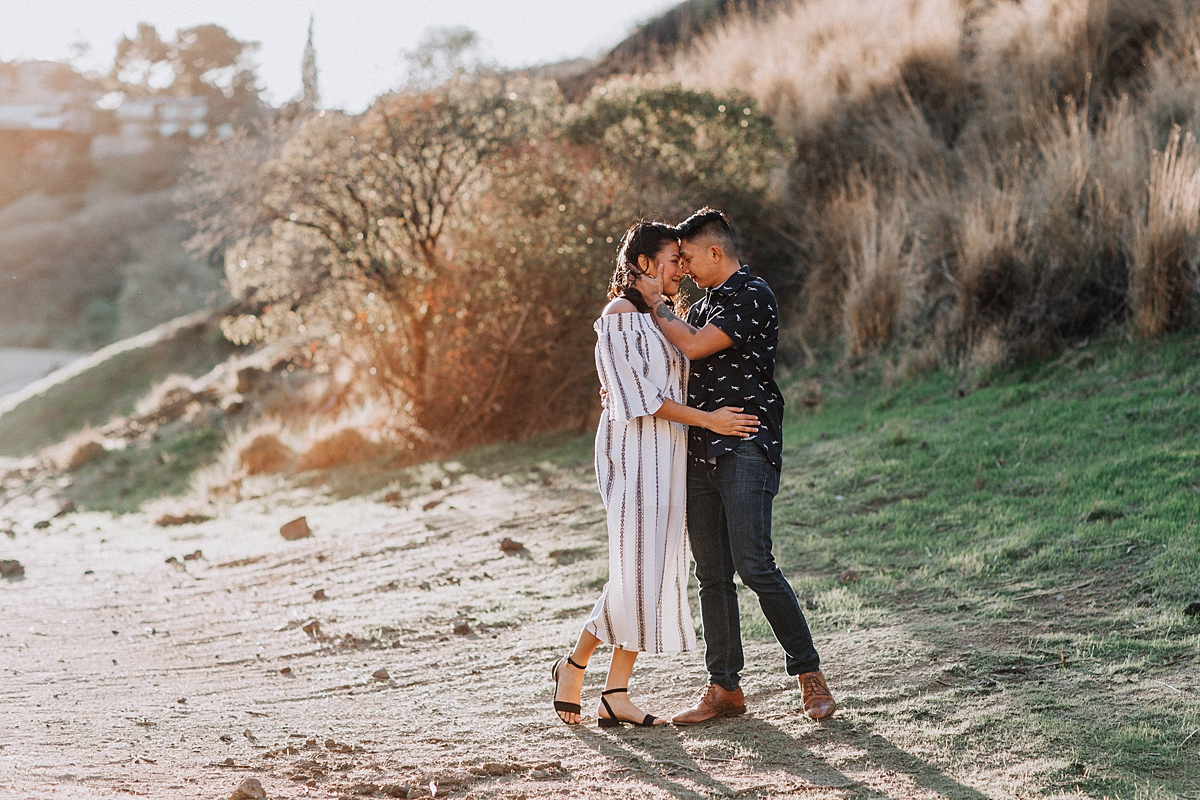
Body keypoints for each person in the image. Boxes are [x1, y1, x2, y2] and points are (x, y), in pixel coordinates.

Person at [552, 220, 761, 728]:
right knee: (637, 569)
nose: (681, 272)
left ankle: (616, 692)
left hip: (670, 456)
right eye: (673, 262)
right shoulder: (619, 316)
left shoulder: (662, 317)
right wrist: (711, 421)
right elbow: (640, 399)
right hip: (635, 456)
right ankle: (574, 666)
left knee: (654, 569)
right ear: (643, 264)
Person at [634, 208, 837, 723]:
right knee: (712, 575)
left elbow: (697, 347)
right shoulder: (701, 306)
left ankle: (809, 674)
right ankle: (725, 689)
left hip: (746, 444)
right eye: (675, 260)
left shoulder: (752, 294)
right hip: (700, 451)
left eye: (687, 258)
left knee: (754, 564)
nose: (684, 268)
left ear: (714, 253)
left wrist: (656, 305)